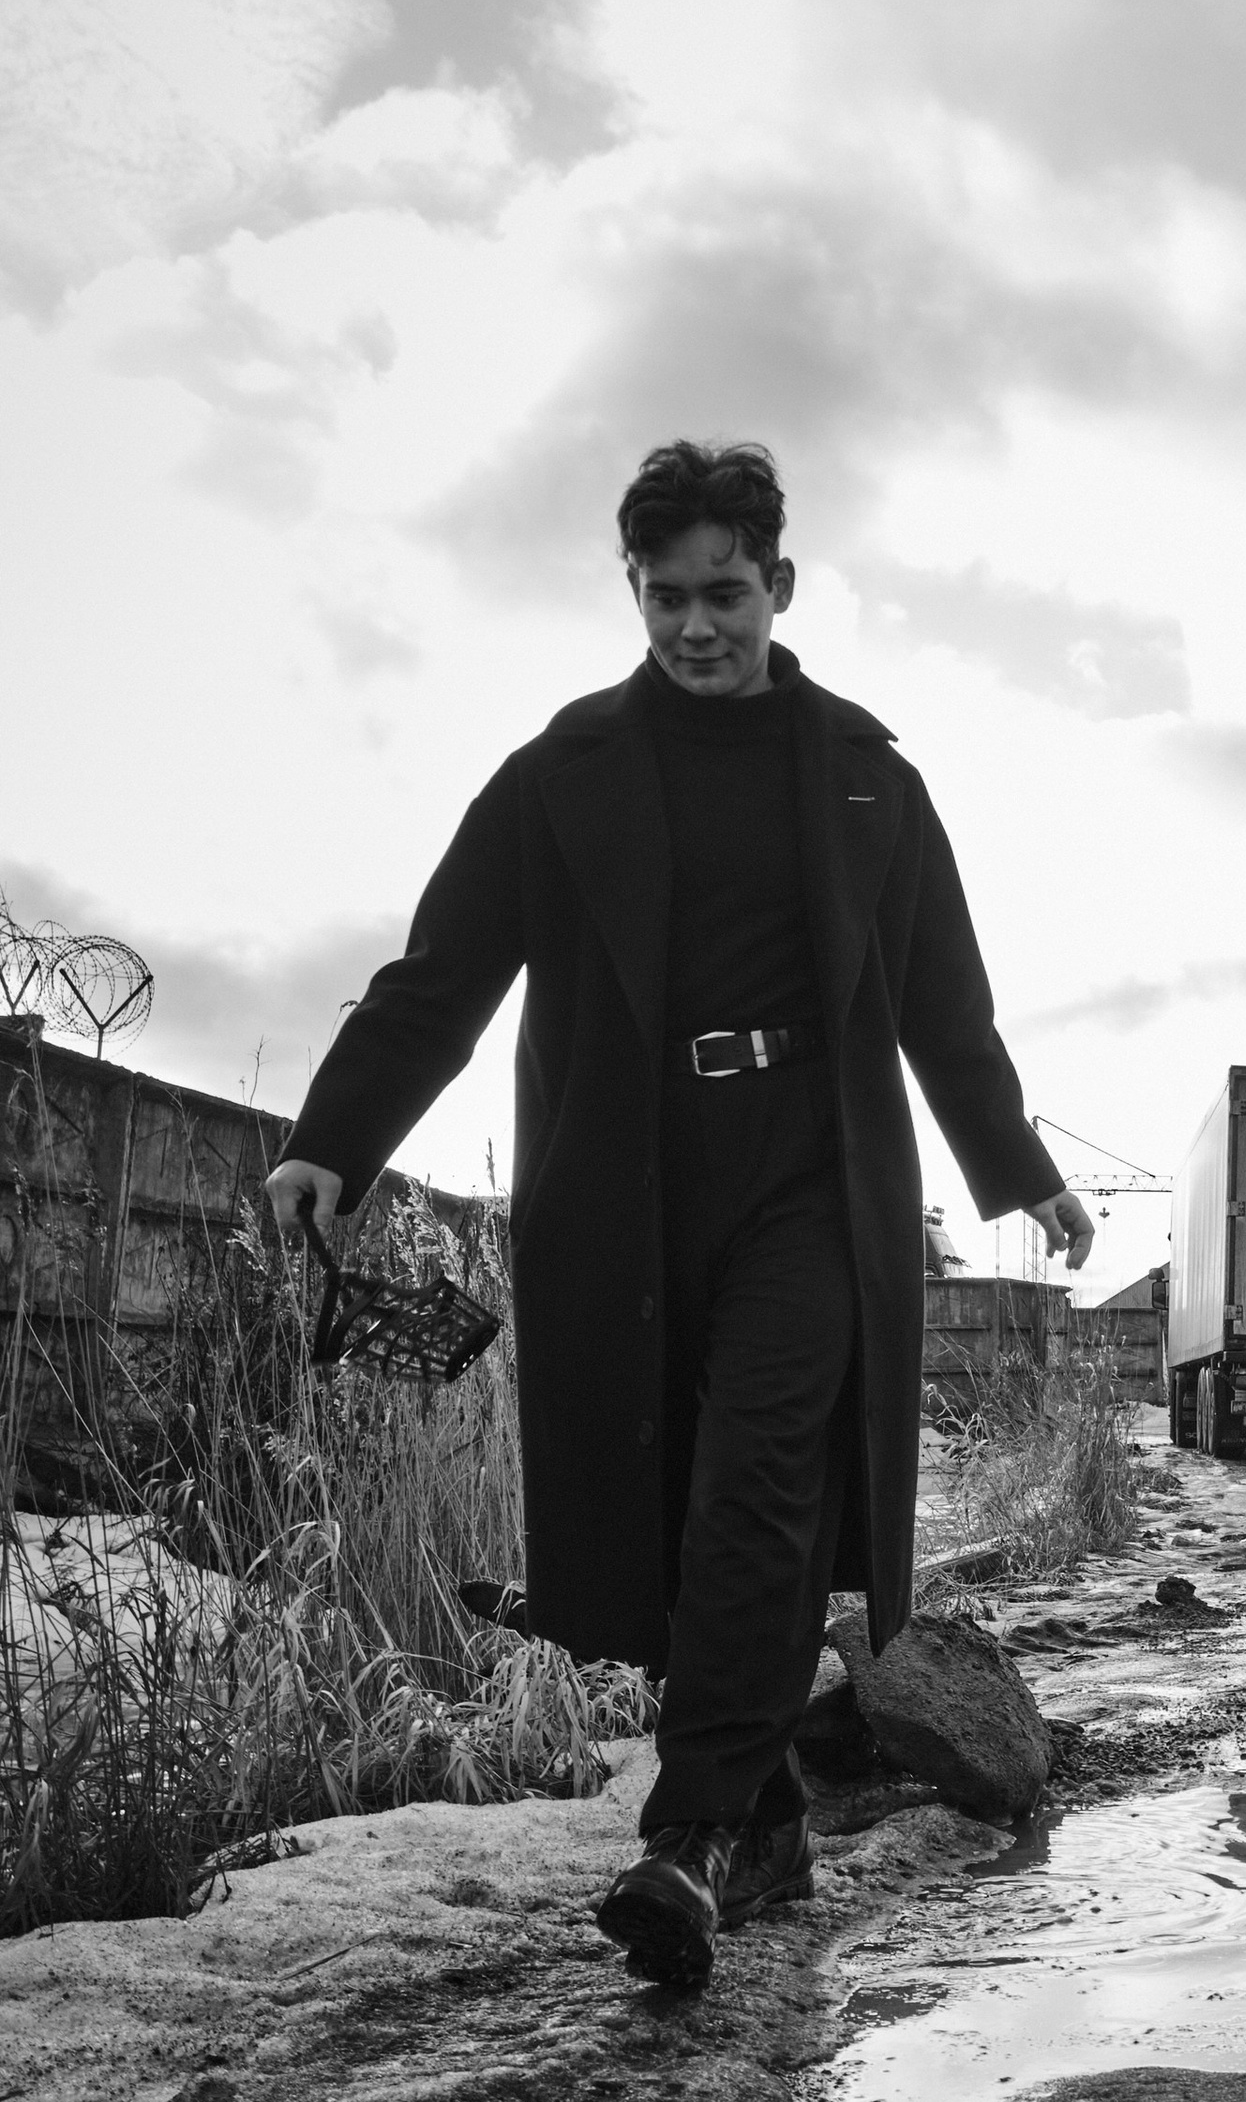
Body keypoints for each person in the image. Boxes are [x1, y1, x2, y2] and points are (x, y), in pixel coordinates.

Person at [263, 440, 1090, 1989]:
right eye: (666, 597)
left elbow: (942, 1004)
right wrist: (337, 1139)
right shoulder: (562, 773)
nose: (697, 625)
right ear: (633, 593)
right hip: (628, 1187)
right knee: (664, 1517)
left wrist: (1019, 1166)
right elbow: (441, 976)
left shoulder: (868, 778)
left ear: (781, 586)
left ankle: (691, 1834)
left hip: (813, 1179)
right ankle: (764, 1820)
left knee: (762, 1482)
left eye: (726, 593)